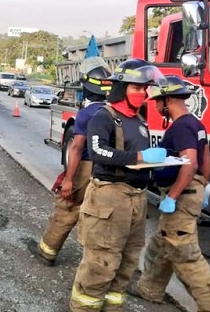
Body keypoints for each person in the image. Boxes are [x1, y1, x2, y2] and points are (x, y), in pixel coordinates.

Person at [70, 58, 167, 312]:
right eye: (137, 88)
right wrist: (139, 158)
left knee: (128, 260)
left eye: (146, 88)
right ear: (122, 88)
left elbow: (141, 153)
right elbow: (99, 151)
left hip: (136, 200)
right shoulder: (104, 117)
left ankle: (112, 307)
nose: (144, 93)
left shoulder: (140, 120)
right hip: (110, 198)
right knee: (101, 261)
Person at [129, 75, 210, 311]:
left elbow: (190, 163)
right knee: (161, 244)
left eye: (157, 101)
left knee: (185, 255)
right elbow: (206, 158)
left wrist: (172, 197)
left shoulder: (181, 126)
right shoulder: (196, 123)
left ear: (168, 99)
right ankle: (149, 289)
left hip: (180, 195)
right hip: (189, 190)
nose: (154, 106)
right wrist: (202, 183)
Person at [30, 61, 112, 265]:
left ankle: (48, 251)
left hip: (85, 167)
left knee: (67, 208)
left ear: (86, 88)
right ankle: (102, 264)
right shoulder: (114, 113)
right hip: (108, 171)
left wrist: (68, 180)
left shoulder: (86, 114)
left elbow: (76, 148)